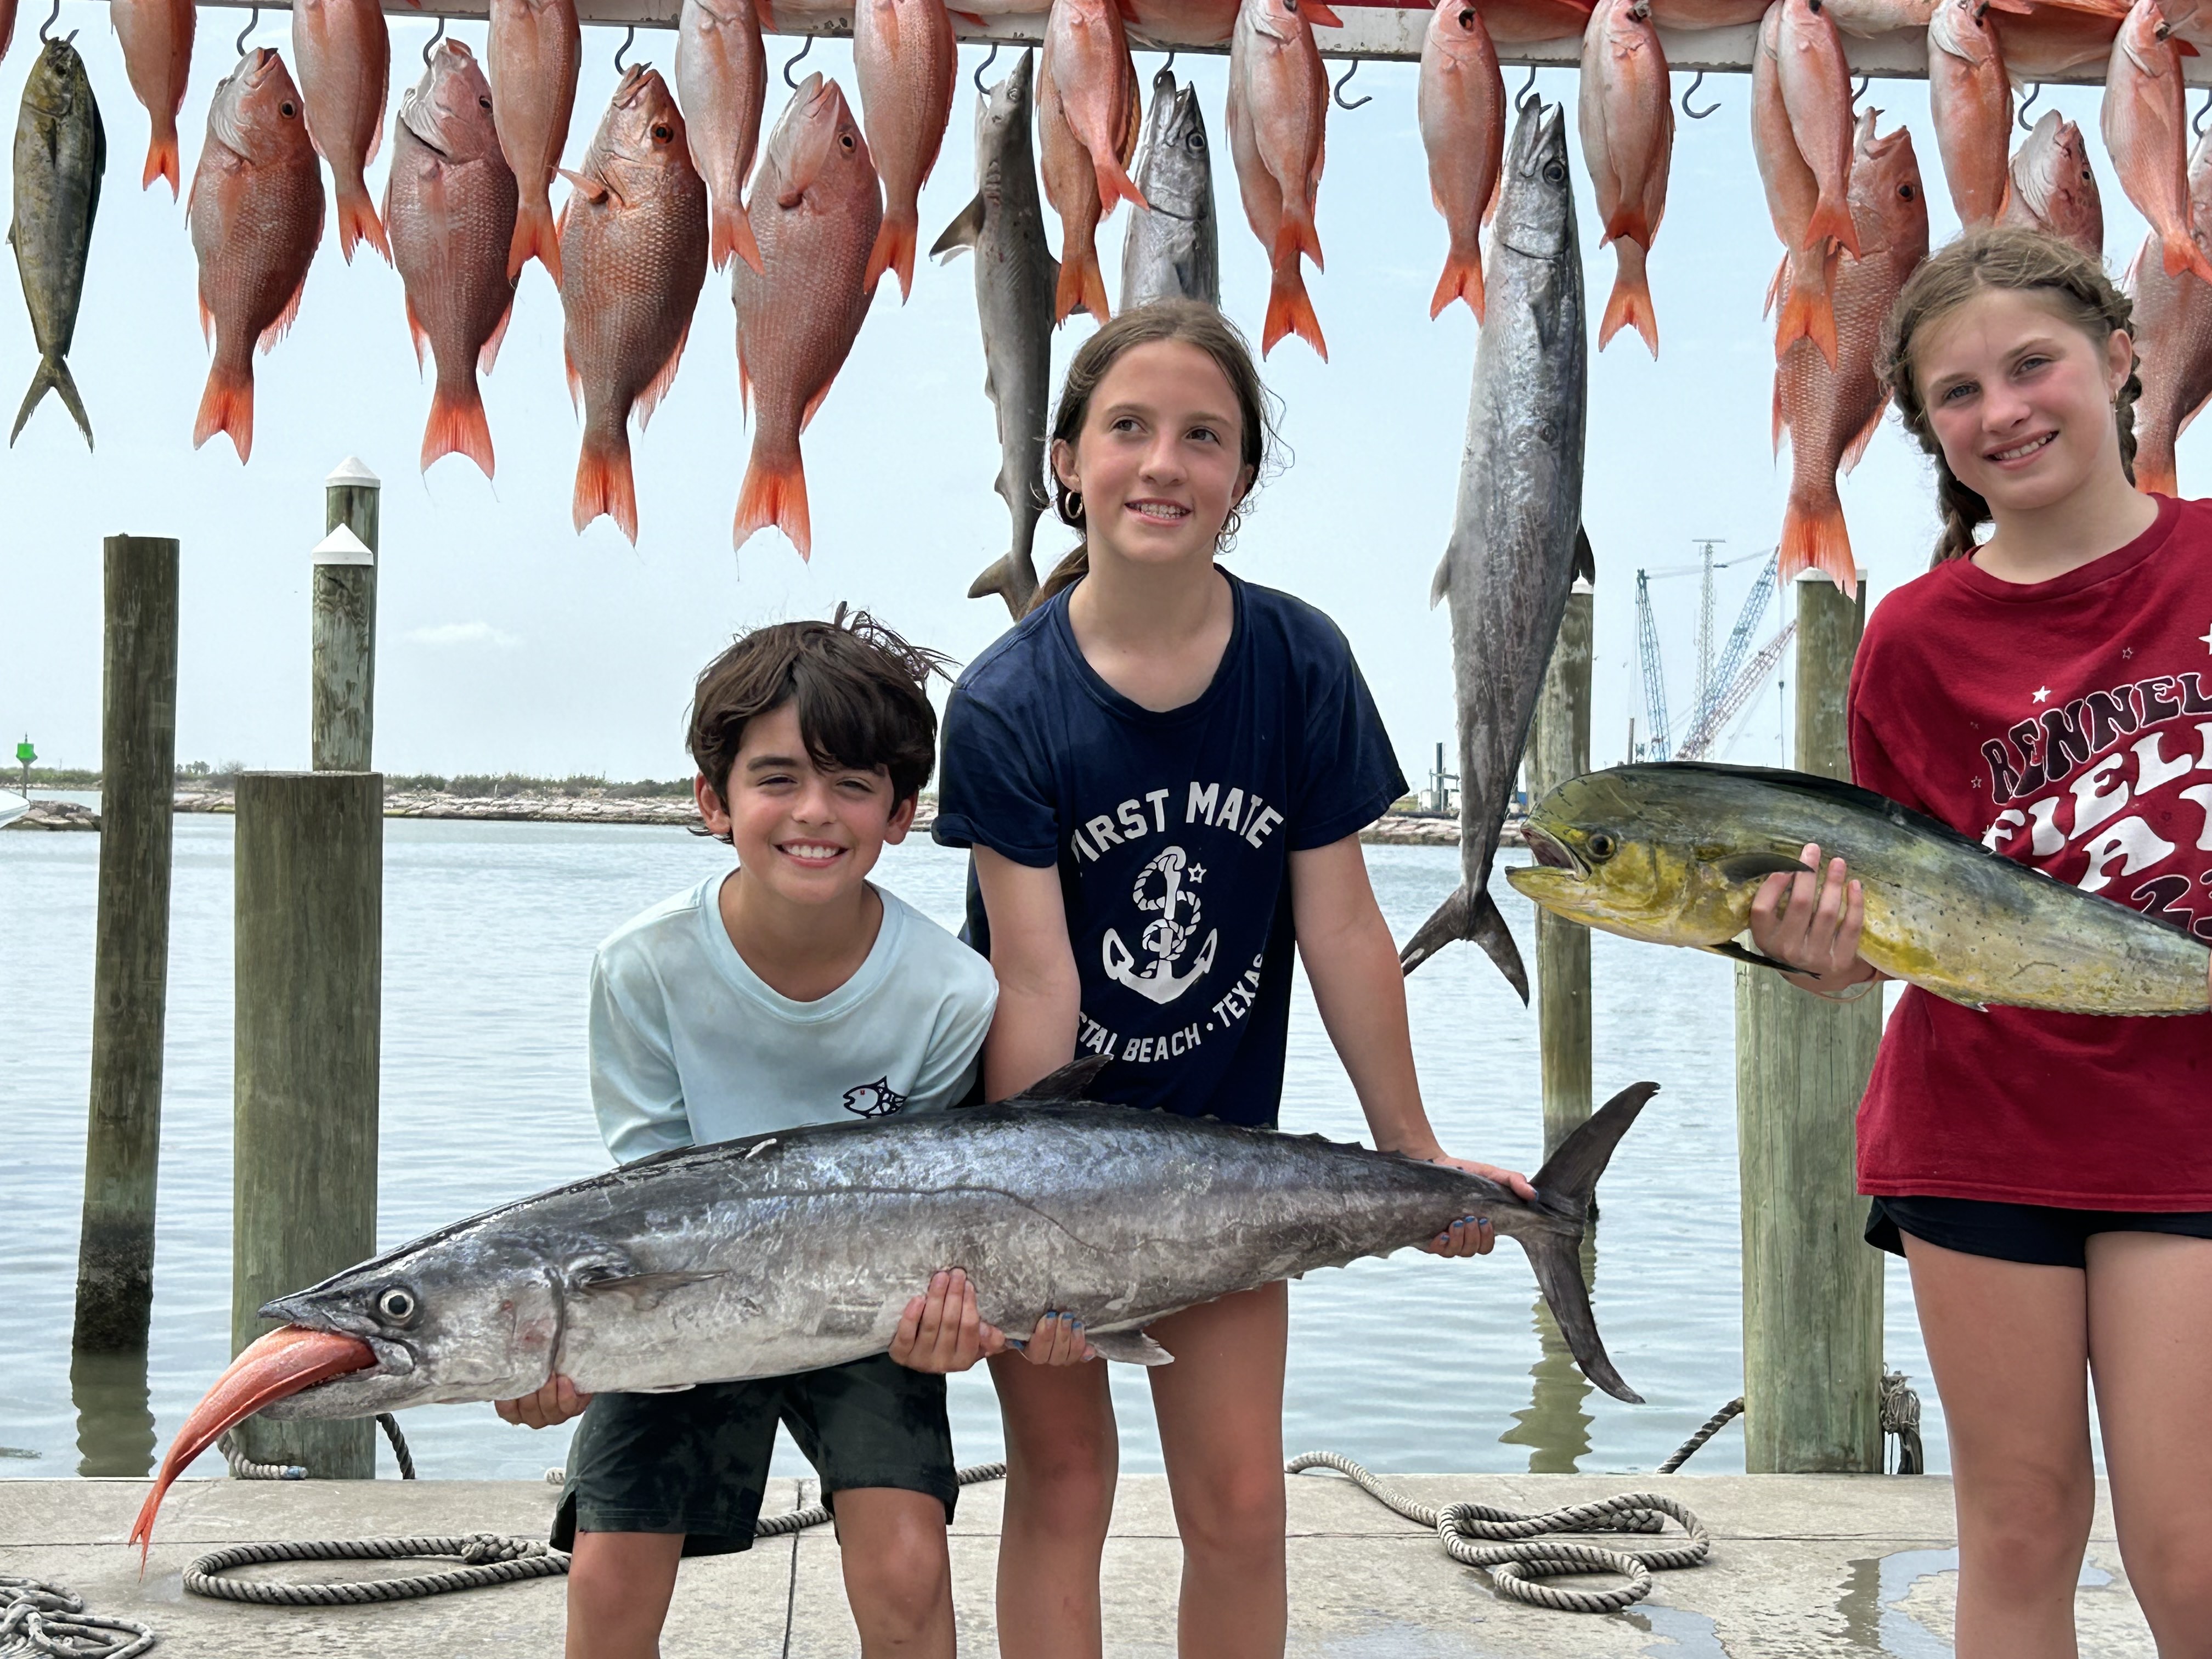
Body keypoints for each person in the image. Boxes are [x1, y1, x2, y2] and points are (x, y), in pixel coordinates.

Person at [930, 298, 1536, 1659]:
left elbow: (1344, 932)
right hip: (1036, 1159)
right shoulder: (1005, 702)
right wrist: (1044, 1241)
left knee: (1243, 1504)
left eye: (1204, 437)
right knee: (1064, 1490)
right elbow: (1034, 981)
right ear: (1065, 461)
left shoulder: (1300, 661)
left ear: (1243, 479)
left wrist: (1416, 1155)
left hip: (1222, 1168)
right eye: (1128, 429)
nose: (1164, 464)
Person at [1747, 228, 2212, 1658]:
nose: (2003, 411)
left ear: (2122, 361)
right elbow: (1904, 915)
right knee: (2015, 1533)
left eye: (2033, 366)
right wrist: (1824, 953)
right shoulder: (1912, 640)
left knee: (2190, 1550)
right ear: (1928, 433)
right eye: (1959, 394)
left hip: (2189, 1129)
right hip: (1981, 1128)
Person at [493, 611, 1012, 1659]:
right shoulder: (641, 966)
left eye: (854, 784)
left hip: (863, 1313)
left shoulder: (952, 990)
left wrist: (954, 1321)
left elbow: (943, 1205)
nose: (814, 812)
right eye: (776, 778)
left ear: (902, 812)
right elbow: (646, 1199)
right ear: (712, 799)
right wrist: (571, 1352)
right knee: (606, 1575)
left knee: (909, 1565)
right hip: (678, 1298)